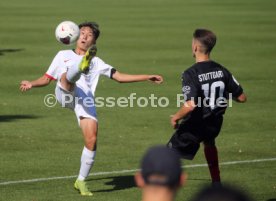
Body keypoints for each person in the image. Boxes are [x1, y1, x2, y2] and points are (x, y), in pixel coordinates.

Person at [20, 21, 163, 196]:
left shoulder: (97, 62)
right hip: (64, 93)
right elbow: (46, 78)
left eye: (89, 35)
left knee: (92, 139)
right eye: (82, 33)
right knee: (67, 78)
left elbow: (119, 77)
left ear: (93, 43)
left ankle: (80, 181)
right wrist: (32, 84)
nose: (85, 36)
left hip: (84, 101)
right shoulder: (62, 54)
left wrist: (146, 76)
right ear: (75, 36)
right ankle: (78, 68)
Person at [167, 29, 247, 187]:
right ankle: (216, 181)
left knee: (167, 153)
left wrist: (176, 117)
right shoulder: (222, 70)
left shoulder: (191, 73)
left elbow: (190, 105)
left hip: (196, 125)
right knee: (209, 142)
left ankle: (161, 187)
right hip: (214, 124)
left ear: (195, 47)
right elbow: (242, 97)